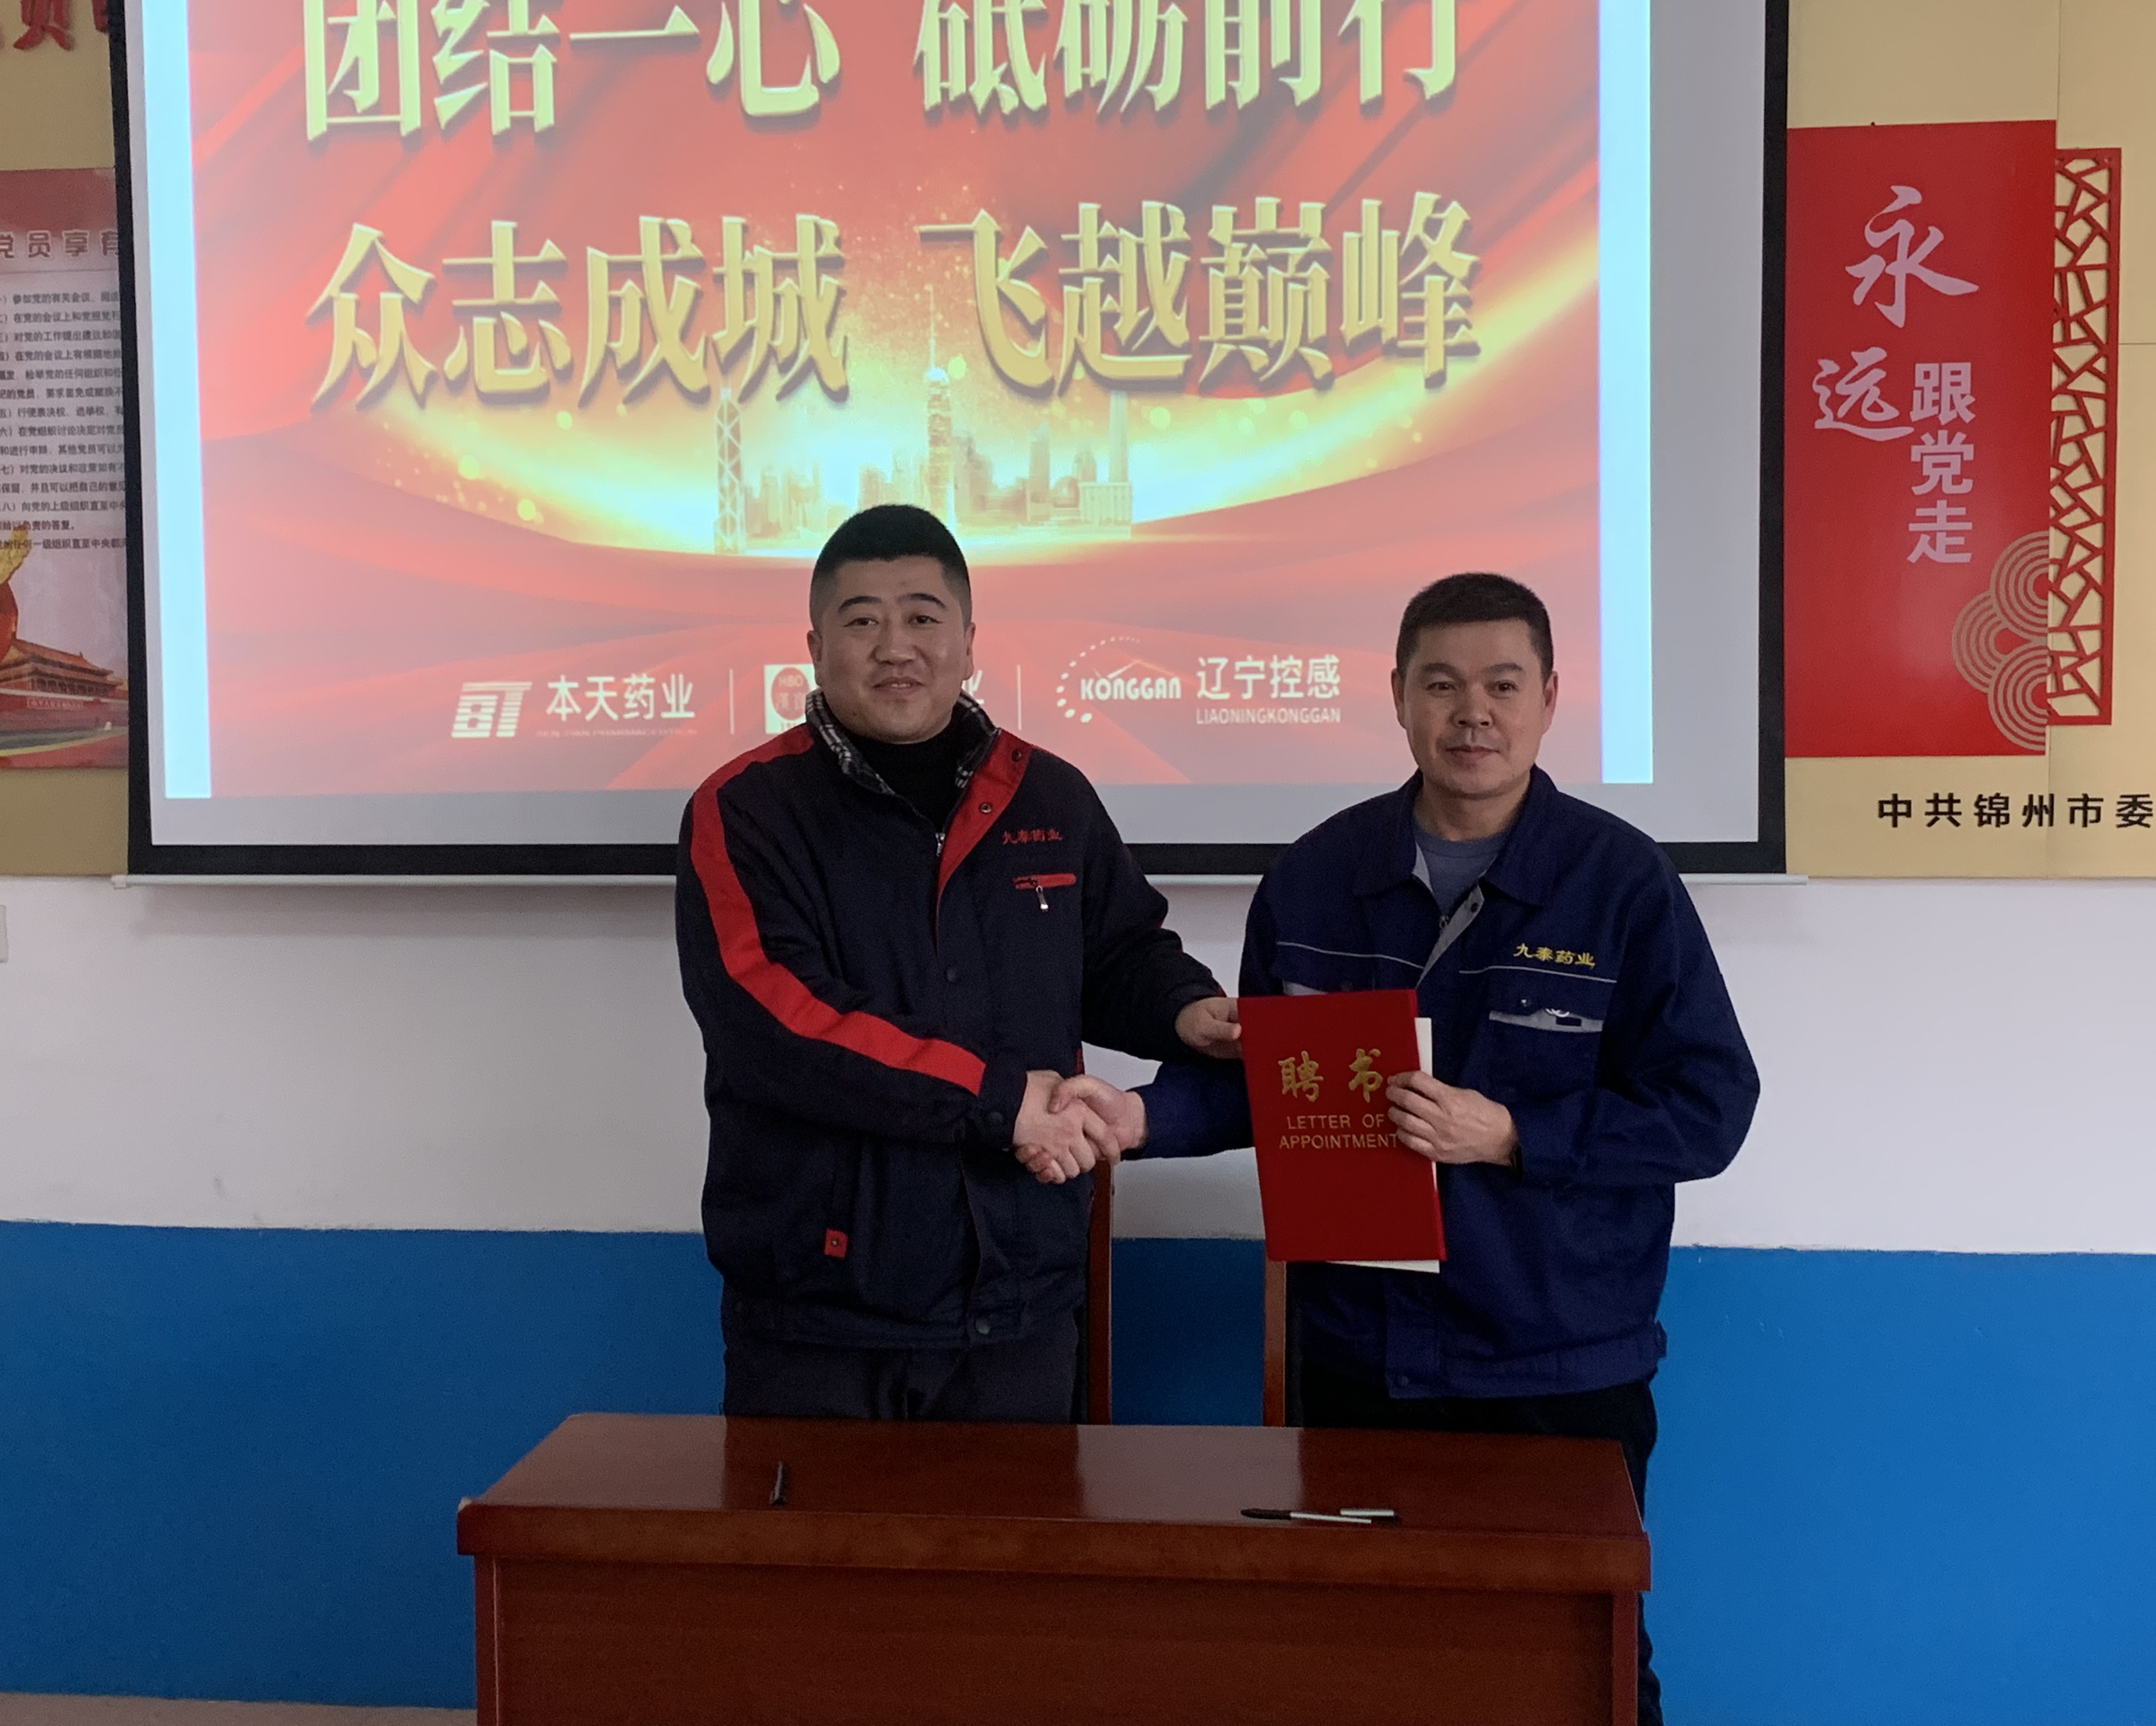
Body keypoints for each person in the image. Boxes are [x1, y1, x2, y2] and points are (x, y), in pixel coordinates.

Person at [1029, 572, 1758, 1726]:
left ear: (1550, 698)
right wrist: (1143, 1119)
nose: (1473, 714)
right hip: (1359, 1357)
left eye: (1503, 685)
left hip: (1554, 1365)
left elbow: (1710, 1107)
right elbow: (1272, 1083)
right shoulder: (1319, 877)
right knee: (1368, 1657)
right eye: (1442, 685)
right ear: (1399, 697)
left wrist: (1512, 1135)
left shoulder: (1622, 885)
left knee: (1582, 1660)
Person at [675, 504, 1240, 1423]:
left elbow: (1118, 953)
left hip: (1020, 1297)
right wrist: (999, 1099)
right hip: (821, 1315)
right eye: (862, 620)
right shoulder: (746, 810)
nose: (895, 646)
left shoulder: (1048, 794)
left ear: (970, 643)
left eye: (923, 617)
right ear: (815, 648)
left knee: (1020, 1525)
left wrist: (1183, 1010)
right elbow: (775, 1023)